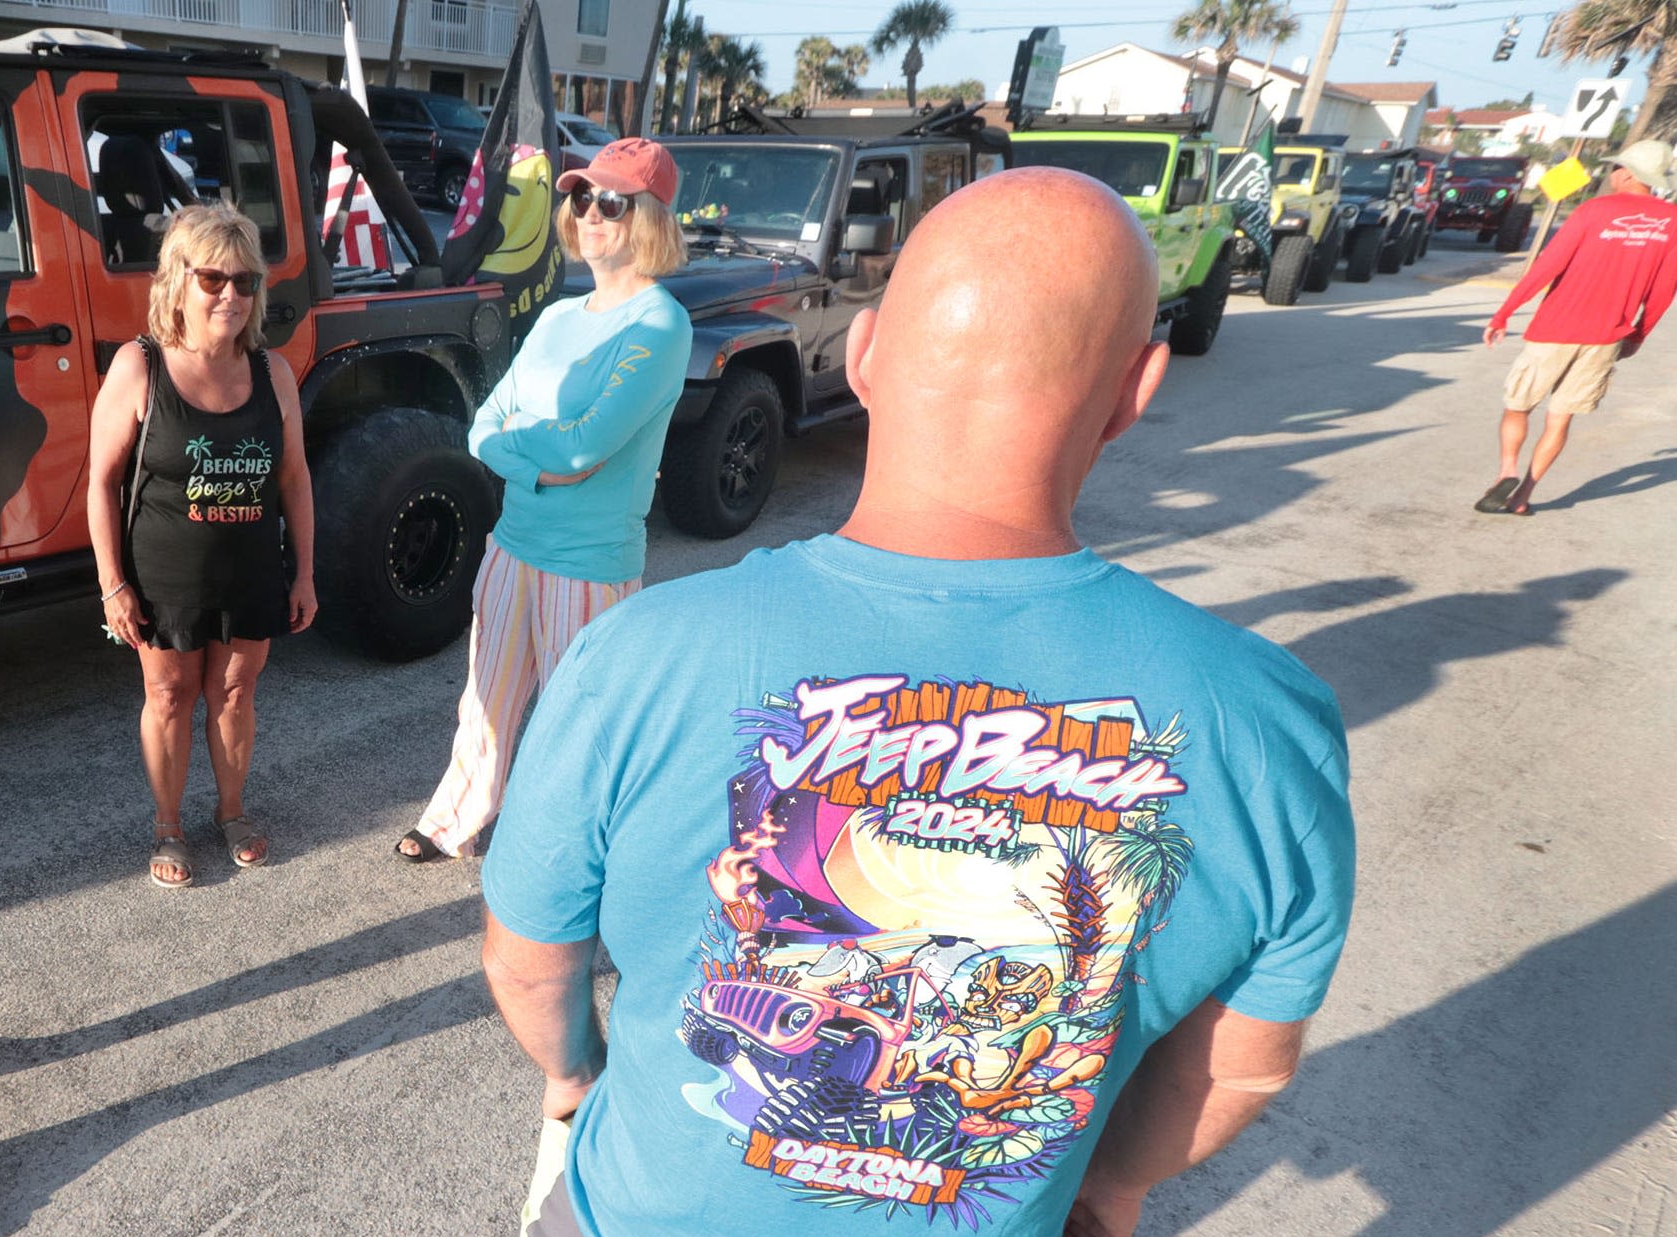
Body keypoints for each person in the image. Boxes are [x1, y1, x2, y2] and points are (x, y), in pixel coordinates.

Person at [479, 168, 1357, 1237]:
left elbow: (529, 962)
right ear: (1138, 390)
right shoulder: (1271, 724)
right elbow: (1241, 1071)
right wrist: (1110, 1183)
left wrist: (575, 1074)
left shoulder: (636, 656)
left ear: (862, 354)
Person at [396, 137, 693, 863]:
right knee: (484, 701)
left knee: (579, 722)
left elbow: (581, 449)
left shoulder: (659, 324)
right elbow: (485, 425)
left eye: (610, 202)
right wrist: (536, 457)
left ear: (650, 218)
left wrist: (528, 450)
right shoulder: (561, 316)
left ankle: (564, 848)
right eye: (580, 198)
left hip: (588, 566)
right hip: (513, 545)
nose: (588, 214)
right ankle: (455, 819)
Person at [88, 201, 315, 887]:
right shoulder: (140, 366)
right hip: (162, 576)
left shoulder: (271, 373)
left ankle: (232, 810)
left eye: (245, 282)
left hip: (250, 570)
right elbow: (98, 483)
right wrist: (112, 585)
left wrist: (303, 573)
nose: (231, 295)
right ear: (177, 282)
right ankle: (168, 825)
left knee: (236, 690)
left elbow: (295, 478)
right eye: (213, 279)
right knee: (169, 695)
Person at [1475, 140, 1677, 516]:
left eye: (1617, 167)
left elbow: (1547, 266)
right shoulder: (1673, 222)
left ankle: (1507, 471)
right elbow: (1664, 290)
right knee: (1560, 417)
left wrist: (1504, 313)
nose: (1613, 173)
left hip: (1554, 329)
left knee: (1518, 406)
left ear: (1628, 173)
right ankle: (1523, 496)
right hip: (1605, 338)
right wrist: (1638, 334)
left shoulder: (1593, 211)